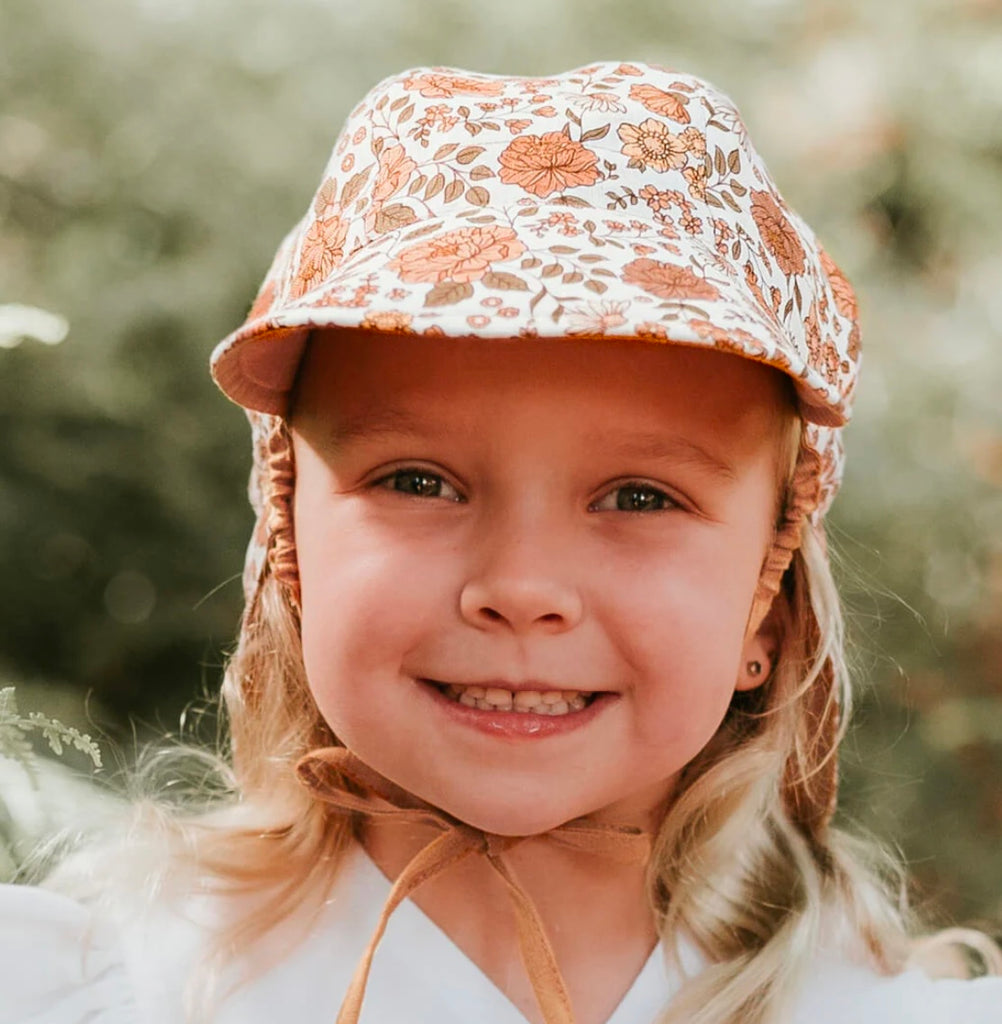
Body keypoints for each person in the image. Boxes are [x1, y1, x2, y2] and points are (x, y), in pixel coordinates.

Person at [1, 61, 1000, 1024]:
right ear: (291, 553)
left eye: (640, 496)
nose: (521, 588)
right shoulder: (123, 985)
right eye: (418, 481)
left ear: (766, 608)